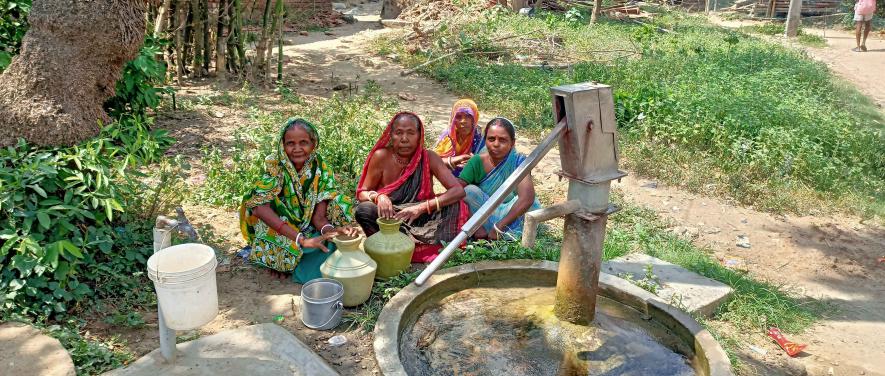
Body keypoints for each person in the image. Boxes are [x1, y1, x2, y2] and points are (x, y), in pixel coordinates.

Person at [239, 118, 356, 283]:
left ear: (313, 144)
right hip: (280, 225)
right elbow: (259, 209)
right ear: (282, 145)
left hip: (306, 224)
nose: (297, 149)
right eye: (290, 143)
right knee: (269, 223)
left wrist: (329, 231)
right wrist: (301, 239)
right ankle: (281, 260)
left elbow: (318, 217)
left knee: (340, 202)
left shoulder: (320, 168)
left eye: (304, 142)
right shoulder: (276, 166)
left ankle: (303, 253)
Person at [355, 112, 468, 262]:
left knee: (456, 204)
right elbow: (362, 192)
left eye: (410, 133)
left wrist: (421, 208)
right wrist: (378, 196)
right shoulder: (381, 156)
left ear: (419, 135)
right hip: (391, 218)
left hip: (421, 217)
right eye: (399, 133)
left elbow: (458, 190)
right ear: (391, 135)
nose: (404, 139)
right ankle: (384, 249)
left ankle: (411, 249)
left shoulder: (429, 157)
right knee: (364, 210)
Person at [458, 117, 540, 240]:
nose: (496, 144)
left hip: (510, 214)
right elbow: (455, 191)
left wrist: (499, 226)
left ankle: (505, 234)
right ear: (485, 140)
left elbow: (527, 198)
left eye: (502, 140)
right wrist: (475, 226)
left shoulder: (518, 162)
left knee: (532, 203)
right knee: (468, 191)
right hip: (482, 215)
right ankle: (481, 232)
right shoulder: (476, 161)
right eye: (491, 139)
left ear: (512, 143)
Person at [433, 99, 485, 176]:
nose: (463, 121)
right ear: (453, 119)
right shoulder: (448, 136)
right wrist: (456, 160)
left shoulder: (481, 138)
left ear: (475, 118)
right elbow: (433, 160)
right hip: (451, 177)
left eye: (468, 116)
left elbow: (489, 162)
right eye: (458, 116)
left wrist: (476, 162)